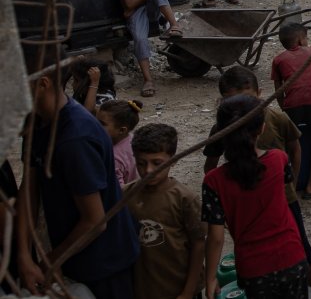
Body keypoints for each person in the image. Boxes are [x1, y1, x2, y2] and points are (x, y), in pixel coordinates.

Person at [17, 70, 140, 299]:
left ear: (42, 84)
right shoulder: (36, 121)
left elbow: (95, 221)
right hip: (72, 252)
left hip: (104, 261)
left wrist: (52, 260)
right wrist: (24, 255)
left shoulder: (75, 138)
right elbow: (29, 188)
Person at [201, 67, 311, 264]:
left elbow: (295, 149)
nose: (240, 109)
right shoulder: (222, 128)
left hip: (283, 196)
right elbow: (210, 164)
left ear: (259, 94)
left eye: (246, 99)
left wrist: (292, 184)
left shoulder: (277, 118)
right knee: (259, 247)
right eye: (231, 102)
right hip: (247, 197)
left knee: (299, 246)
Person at [202, 95, 308, 299]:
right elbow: (286, 184)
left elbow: (215, 238)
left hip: (254, 269)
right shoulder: (279, 159)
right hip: (293, 258)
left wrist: (210, 277)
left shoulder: (213, 181)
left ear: (221, 133)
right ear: (262, 128)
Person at [129, 123, 205, 299]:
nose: (148, 170)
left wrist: (187, 292)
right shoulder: (125, 195)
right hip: (144, 289)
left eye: (157, 163)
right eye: (141, 163)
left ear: (173, 159)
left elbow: (199, 244)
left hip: (179, 289)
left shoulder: (184, 198)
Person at [270, 22, 311, 198]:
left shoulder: (278, 59)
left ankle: (292, 186)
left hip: (292, 107)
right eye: (305, 37)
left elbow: (278, 90)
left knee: (293, 146)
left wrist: (285, 108)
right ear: (299, 40)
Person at [116, 0, 182, 97]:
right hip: (138, 12)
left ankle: (174, 25)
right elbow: (129, 4)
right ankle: (148, 80)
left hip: (152, 8)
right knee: (139, 39)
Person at [97, 99, 142, 185]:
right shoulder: (132, 138)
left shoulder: (114, 157)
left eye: (102, 124)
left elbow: (118, 192)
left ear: (122, 130)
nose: (95, 125)